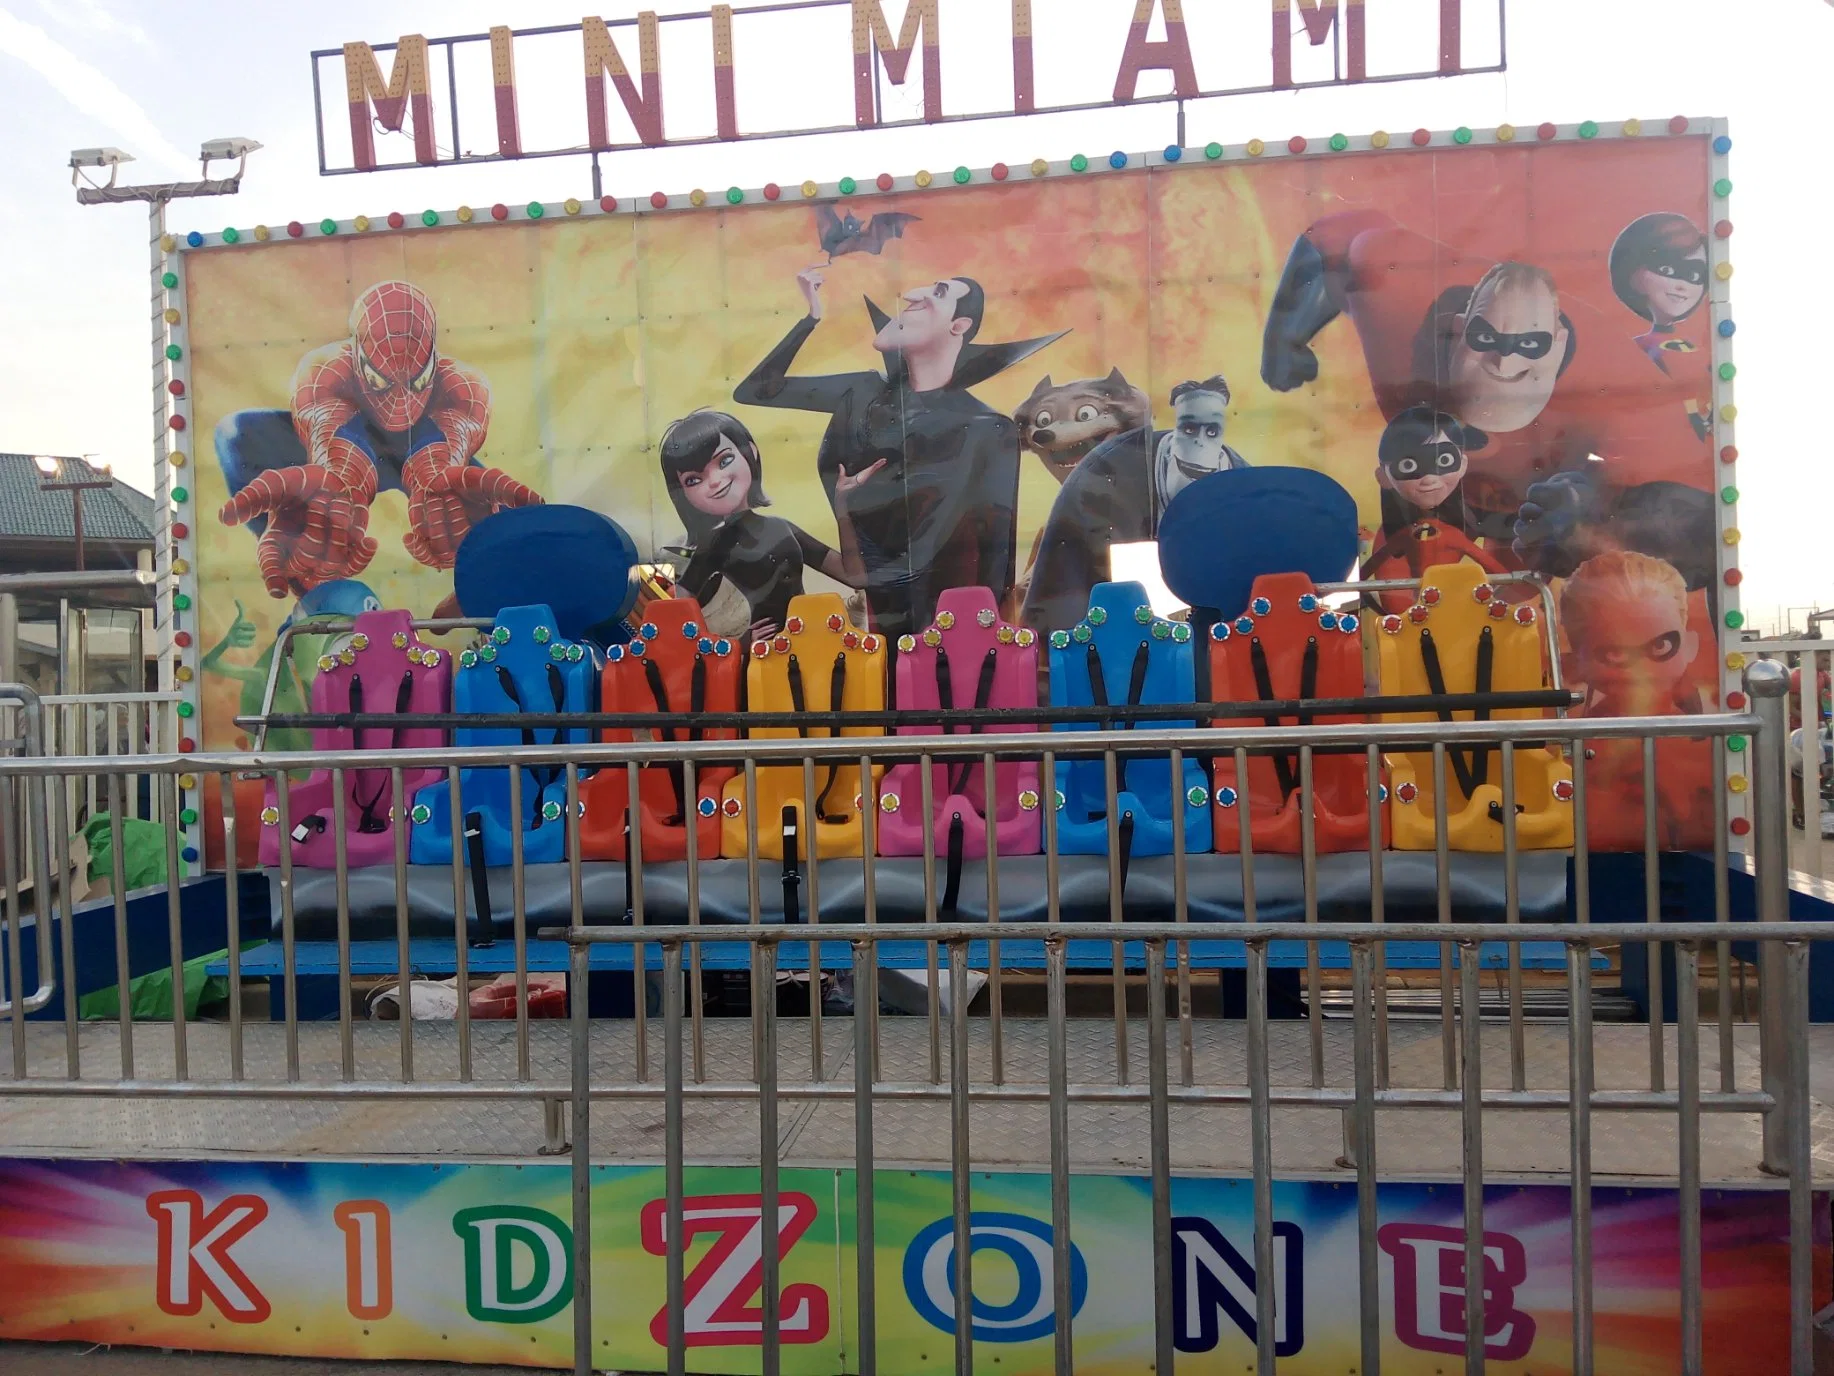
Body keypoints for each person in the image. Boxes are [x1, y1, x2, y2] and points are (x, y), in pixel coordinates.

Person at [1260, 213, 1714, 587]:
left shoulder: (1614, 375)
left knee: (1516, 591)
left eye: (1530, 347)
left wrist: (1589, 522)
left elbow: (1693, 517)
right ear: (1458, 331)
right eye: (1486, 340)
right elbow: (1335, 235)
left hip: (1527, 511)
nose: (1505, 359)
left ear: (1556, 347)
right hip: (1431, 505)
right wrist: (1287, 335)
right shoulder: (1395, 285)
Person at [732, 266, 1064, 640]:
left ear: (959, 325)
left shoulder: (988, 428)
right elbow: (755, 390)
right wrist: (812, 317)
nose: (912, 296)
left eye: (937, 293)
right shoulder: (861, 391)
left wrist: (989, 640)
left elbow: (994, 556)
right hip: (877, 606)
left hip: (951, 621)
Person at [216, 280, 542, 599]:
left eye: (417, 381)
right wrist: (334, 484)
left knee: (471, 497)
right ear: (356, 353)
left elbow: (448, 454)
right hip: (352, 441)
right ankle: (305, 576)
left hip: (426, 449)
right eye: (379, 380)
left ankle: (481, 590)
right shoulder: (325, 370)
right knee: (238, 433)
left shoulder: (463, 384)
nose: (399, 401)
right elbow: (330, 432)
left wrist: (443, 481)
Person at [1022, 376, 1250, 633]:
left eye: (1211, 431)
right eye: (1188, 429)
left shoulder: (1240, 481)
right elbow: (1058, 604)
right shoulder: (1104, 475)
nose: (1199, 441)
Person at [659, 409, 879, 640]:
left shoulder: (781, 527)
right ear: (683, 493)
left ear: (751, 452)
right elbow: (677, 612)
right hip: (767, 654)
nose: (715, 481)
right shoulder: (714, 544)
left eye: (724, 460)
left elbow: (854, 577)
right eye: (694, 480)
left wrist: (842, 505)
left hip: (813, 641)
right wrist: (737, 642)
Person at [1559, 551, 1711, 849]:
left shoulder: (1707, 747)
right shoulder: (1569, 752)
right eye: (1614, 654)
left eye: (1661, 645)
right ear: (1577, 662)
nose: (1640, 672)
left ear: (1689, 645)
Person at [1608, 213, 1709, 372]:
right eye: (1666, 270)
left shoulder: (1698, 349)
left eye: (1694, 275)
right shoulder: (1635, 348)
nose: (1681, 285)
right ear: (1634, 276)